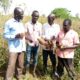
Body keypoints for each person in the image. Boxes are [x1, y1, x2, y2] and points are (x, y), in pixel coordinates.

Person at [4, 7, 26, 80]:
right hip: (13, 48)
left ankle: (18, 76)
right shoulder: (9, 23)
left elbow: (22, 35)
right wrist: (15, 36)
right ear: (16, 14)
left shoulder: (21, 23)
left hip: (21, 47)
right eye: (22, 14)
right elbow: (5, 35)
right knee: (11, 65)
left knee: (20, 64)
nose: (23, 16)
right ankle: (8, 78)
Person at [25, 10, 42, 77]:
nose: (35, 17)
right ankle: (26, 72)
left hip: (37, 45)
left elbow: (40, 36)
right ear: (32, 15)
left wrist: (40, 42)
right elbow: (24, 35)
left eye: (37, 16)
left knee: (35, 59)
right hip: (29, 44)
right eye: (34, 16)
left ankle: (33, 72)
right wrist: (29, 39)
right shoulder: (27, 24)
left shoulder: (40, 25)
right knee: (28, 59)